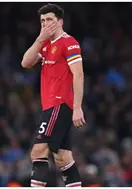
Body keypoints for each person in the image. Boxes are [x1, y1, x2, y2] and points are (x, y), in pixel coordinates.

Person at [21, 3, 85, 187]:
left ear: (60, 21)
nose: (45, 24)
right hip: (50, 105)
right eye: (42, 21)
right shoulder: (46, 44)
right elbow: (25, 62)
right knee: (62, 157)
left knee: (38, 151)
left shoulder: (69, 42)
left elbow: (78, 74)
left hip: (60, 104)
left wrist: (77, 107)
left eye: (49, 20)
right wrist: (40, 39)